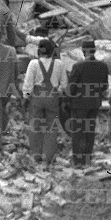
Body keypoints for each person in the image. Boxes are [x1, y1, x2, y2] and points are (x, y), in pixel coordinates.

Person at [21, 38, 67, 166]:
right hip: (53, 97)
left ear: (38, 52)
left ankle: (36, 155)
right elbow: (64, 84)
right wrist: (59, 92)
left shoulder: (33, 64)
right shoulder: (59, 64)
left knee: (35, 126)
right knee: (51, 127)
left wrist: (26, 97)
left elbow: (28, 83)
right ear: (52, 52)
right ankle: (48, 157)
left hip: (37, 98)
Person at [66, 40, 108, 168]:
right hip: (94, 103)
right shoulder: (103, 66)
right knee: (89, 131)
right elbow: (105, 86)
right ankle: (87, 158)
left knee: (78, 133)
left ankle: (78, 162)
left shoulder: (78, 66)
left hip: (79, 105)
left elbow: (70, 88)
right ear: (94, 51)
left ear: (83, 51)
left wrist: (68, 100)